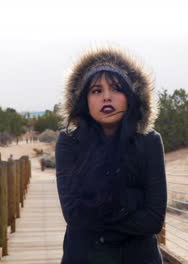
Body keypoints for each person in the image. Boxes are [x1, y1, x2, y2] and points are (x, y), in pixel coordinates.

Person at [55, 47, 167, 264]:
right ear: (84, 100)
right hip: (84, 257)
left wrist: (95, 207)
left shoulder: (149, 141)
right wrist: (132, 202)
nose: (107, 97)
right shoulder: (69, 142)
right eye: (96, 91)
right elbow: (73, 216)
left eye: (116, 89)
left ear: (131, 96)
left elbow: (153, 221)